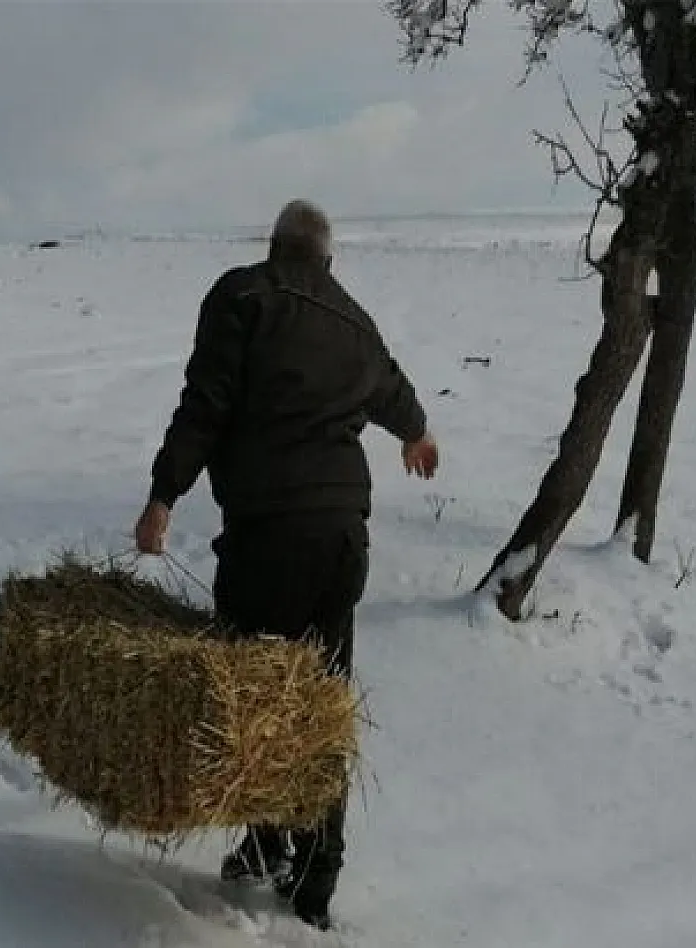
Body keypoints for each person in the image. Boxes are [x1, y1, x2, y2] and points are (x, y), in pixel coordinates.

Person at [133, 199, 438, 930]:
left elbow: (205, 403)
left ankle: (270, 842)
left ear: (275, 247)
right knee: (322, 697)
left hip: (269, 530)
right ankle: (314, 871)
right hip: (341, 536)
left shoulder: (242, 296)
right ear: (327, 261)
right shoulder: (355, 321)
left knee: (252, 696)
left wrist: (162, 493)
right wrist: (418, 432)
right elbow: (391, 387)